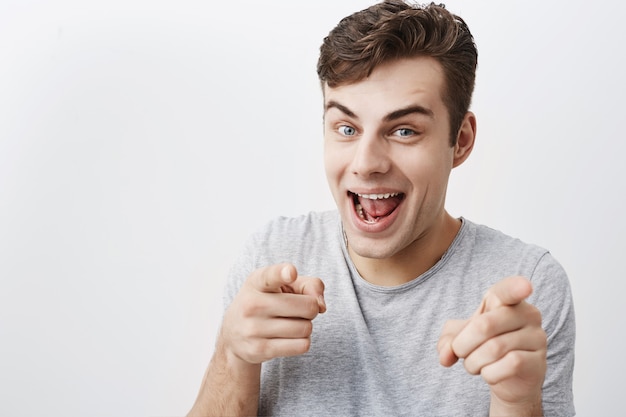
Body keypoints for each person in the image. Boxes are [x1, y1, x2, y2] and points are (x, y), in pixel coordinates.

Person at [187, 1, 575, 416]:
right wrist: (233, 355)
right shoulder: (272, 255)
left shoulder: (527, 288)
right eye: (347, 128)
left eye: (404, 130)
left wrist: (517, 401)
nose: (366, 162)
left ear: (460, 140)